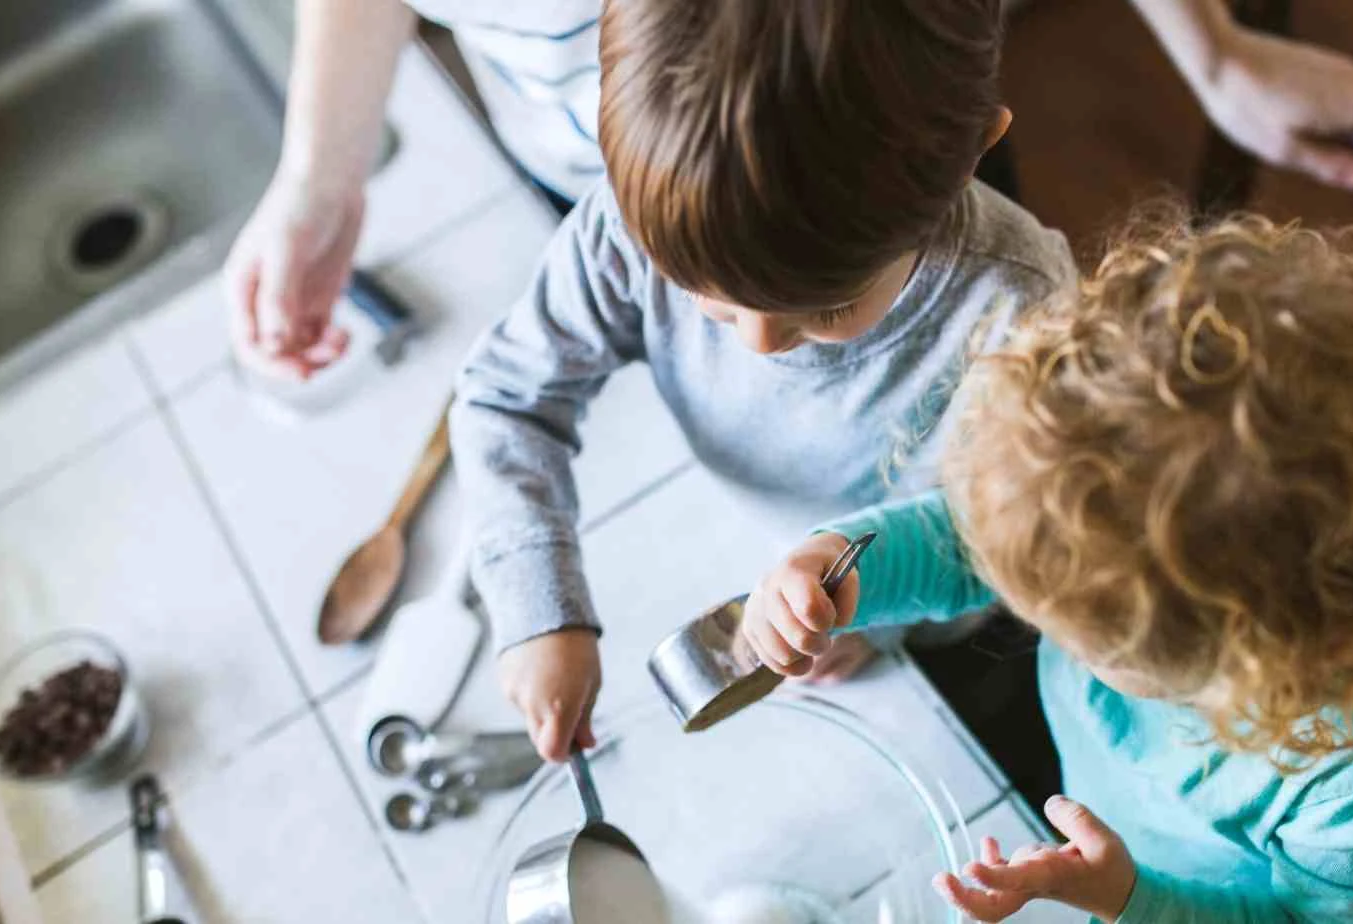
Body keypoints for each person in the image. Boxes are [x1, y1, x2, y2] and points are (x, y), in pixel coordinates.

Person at [742, 211, 1353, 921]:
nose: (1039, 621)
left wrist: (1129, 897)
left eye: (1079, 635)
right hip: (1097, 819)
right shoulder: (1103, 522)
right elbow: (975, 538)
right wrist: (834, 568)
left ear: (1246, 660)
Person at [447, 0, 1078, 762]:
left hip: (948, 626)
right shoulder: (633, 222)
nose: (762, 342)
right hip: (774, 555)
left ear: (975, 151)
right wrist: (539, 608)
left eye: (828, 307)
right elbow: (507, 396)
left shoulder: (1021, 308)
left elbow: (1025, 532)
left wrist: (874, 608)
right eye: (707, 301)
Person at [225, 0, 1353, 382]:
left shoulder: (967, 258)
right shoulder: (624, 235)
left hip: (850, 173)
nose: (753, 348)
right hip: (582, 178)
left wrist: (1213, 53)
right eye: (711, 303)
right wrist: (318, 181)